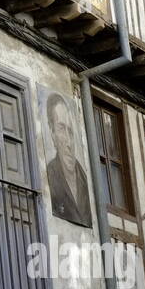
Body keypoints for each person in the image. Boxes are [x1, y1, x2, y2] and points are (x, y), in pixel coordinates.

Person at [44, 93, 91, 227]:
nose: (69, 142)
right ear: (52, 133)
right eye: (61, 128)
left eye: (70, 131)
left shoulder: (84, 179)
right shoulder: (51, 175)